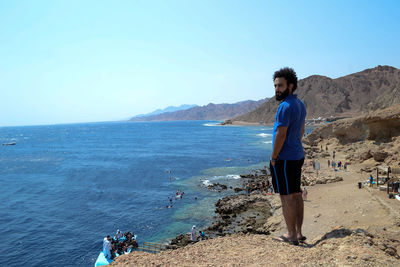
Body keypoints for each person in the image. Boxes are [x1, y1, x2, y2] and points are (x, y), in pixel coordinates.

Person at [269, 67, 306, 246]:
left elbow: (280, 134)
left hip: (284, 159)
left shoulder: (284, 106)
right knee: (297, 193)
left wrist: (274, 157)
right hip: (297, 155)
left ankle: (291, 234)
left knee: (286, 196)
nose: (277, 89)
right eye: (275, 85)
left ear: (290, 85)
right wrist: (296, 144)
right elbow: (301, 129)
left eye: (280, 85)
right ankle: (298, 233)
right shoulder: (300, 104)